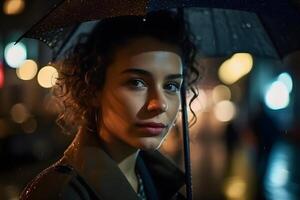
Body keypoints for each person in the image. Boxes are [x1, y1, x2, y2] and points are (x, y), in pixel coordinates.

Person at [20, 10, 200, 200]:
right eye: (137, 82)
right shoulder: (59, 193)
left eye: (171, 86)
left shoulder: (162, 185)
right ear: (94, 88)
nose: (160, 104)